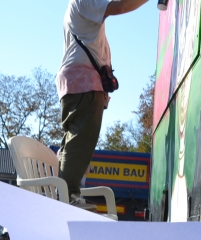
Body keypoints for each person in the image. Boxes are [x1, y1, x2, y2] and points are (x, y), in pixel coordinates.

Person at [56, 0, 150, 209]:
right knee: (80, 142)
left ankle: (67, 194)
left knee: (76, 141)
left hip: (78, 83)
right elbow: (120, 6)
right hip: (83, 82)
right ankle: (67, 198)